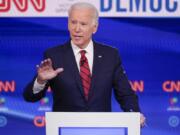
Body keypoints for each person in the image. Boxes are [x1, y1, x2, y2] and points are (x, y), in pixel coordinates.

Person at [23, 2, 146, 126]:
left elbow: (125, 94)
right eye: (73, 22)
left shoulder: (110, 55)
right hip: (65, 129)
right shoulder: (54, 56)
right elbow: (30, 97)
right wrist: (40, 81)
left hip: (101, 129)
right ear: (68, 24)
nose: (77, 29)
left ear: (95, 27)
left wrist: (134, 115)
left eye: (83, 24)